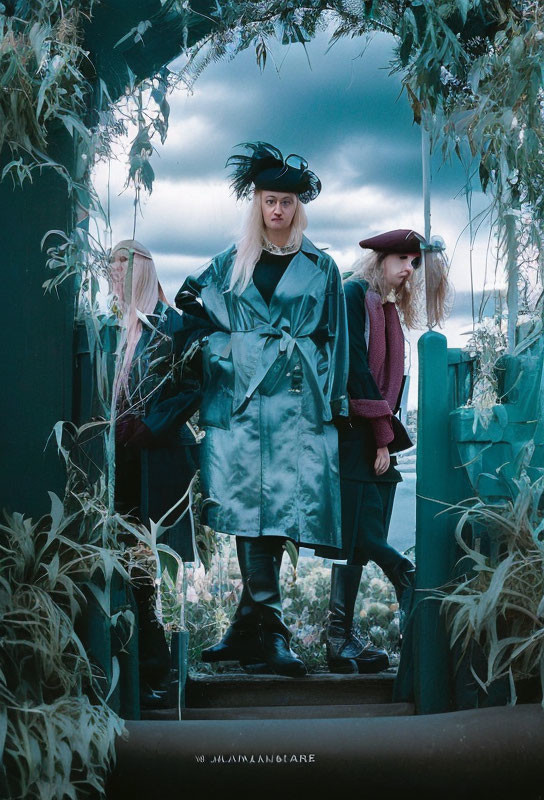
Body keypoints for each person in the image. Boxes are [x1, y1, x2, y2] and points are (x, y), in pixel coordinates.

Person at [175, 142, 349, 677]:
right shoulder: (230, 264)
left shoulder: (323, 268)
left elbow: (337, 337)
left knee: (281, 511)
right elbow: (190, 308)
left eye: (288, 203)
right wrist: (230, 350)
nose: (279, 211)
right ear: (258, 205)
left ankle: (252, 628)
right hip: (243, 405)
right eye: (270, 201)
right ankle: (265, 630)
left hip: (300, 407)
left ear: (299, 208)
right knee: (247, 510)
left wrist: (335, 403)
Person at [326, 228, 450, 674]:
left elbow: (391, 382)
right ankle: (404, 577)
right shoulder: (354, 294)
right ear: (378, 259)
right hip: (354, 429)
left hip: (375, 430)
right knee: (360, 531)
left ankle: (340, 639)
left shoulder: (387, 308)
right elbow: (354, 366)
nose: (408, 269)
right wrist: (381, 434)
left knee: (363, 530)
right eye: (401, 259)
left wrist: (385, 436)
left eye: (413, 263)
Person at [110, 239, 201, 706]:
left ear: (144, 268)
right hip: (119, 463)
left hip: (159, 461)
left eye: (125, 263)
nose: (115, 272)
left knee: (151, 566)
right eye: (110, 265)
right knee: (127, 567)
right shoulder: (110, 327)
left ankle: (158, 674)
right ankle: (147, 670)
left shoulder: (172, 325)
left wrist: (151, 425)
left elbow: (193, 387)